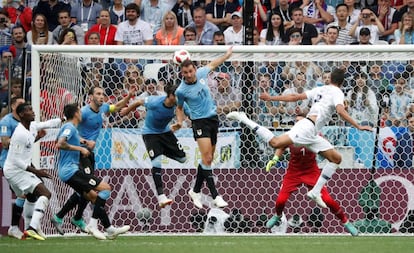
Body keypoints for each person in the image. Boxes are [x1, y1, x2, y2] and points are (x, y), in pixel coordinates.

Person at [226, 68, 372, 208]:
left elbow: (294, 97)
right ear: (342, 82)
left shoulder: (320, 89)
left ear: (331, 79)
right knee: (275, 142)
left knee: (336, 159)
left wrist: (271, 97)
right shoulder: (338, 92)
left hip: (312, 133)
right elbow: (340, 110)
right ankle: (243, 118)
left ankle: (315, 192)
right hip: (306, 128)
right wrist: (358, 126)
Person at [51, 86, 135, 235]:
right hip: (80, 156)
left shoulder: (103, 108)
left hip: (89, 154)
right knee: (93, 190)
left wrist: (129, 97)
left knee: (83, 191)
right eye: (98, 94)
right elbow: (68, 127)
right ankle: (98, 225)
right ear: (90, 97)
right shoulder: (82, 112)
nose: (101, 96)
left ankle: (66, 217)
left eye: (103, 94)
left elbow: (117, 107)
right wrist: (83, 143)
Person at [265, 115, 359, 236]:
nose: (298, 124)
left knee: (328, 200)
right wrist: (275, 158)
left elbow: (327, 149)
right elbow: (281, 146)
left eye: (301, 122)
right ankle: (277, 216)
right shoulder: (291, 135)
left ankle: (346, 222)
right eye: (296, 122)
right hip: (293, 172)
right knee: (280, 201)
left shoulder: (315, 136)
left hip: (311, 172)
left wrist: (325, 156)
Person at [175, 47, 233, 209]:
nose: (189, 74)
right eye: (185, 72)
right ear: (182, 73)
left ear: (194, 69)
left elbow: (214, 64)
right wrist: (180, 122)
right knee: (207, 157)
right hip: (199, 123)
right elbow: (179, 108)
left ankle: (195, 191)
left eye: (190, 71)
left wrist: (227, 55)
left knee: (208, 159)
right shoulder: (181, 90)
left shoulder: (201, 74)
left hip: (213, 120)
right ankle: (215, 195)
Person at [3, 103, 64, 240]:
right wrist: (36, 171)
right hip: (15, 171)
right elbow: (17, 160)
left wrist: (64, 118)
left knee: (29, 197)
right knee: (45, 193)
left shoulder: (31, 126)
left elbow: (48, 123)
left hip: (18, 169)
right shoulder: (19, 133)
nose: (33, 111)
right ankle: (32, 228)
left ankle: (20, 228)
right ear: (22, 115)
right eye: (29, 110)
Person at [120, 84, 187, 208]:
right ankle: (161, 196)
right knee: (156, 163)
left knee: (183, 158)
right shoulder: (155, 102)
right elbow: (139, 102)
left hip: (166, 132)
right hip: (150, 133)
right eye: (176, 96)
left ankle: (159, 151)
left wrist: (179, 122)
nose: (179, 98)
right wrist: (126, 110)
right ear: (170, 96)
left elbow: (183, 110)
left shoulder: (179, 103)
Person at [0, 97, 25, 239]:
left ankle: (30, 226)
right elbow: (4, 143)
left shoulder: (26, 122)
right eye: (21, 104)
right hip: (10, 163)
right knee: (23, 193)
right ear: (13, 106)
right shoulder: (5, 122)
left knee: (39, 192)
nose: (24, 106)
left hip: (24, 162)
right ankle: (14, 227)